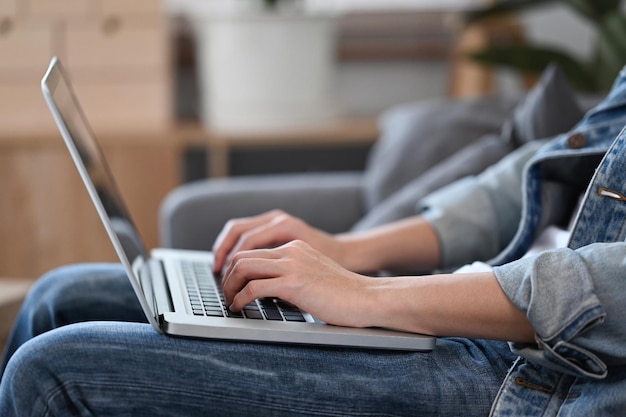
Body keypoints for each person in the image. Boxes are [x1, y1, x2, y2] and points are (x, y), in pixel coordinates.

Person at [1, 68, 626, 416]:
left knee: (49, 371)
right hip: (471, 298)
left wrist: (370, 300)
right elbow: (534, 175)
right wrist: (352, 252)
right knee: (60, 295)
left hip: (547, 374)